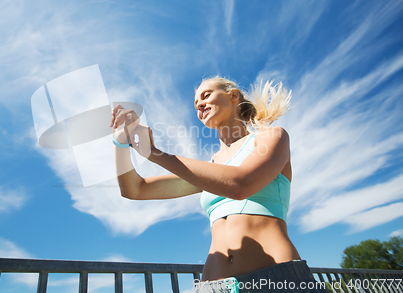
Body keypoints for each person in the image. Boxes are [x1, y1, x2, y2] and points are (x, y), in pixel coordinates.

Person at [110, 77, 328, 293]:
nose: (200, 105)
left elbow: (240, 184)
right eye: (196, 105)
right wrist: (121, 143)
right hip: (213, 288)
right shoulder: (210, 169)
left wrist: (154, 153)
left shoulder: (271, 137)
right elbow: (135, 189)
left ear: (233, 95)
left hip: (275, 280)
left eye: (206, 96)